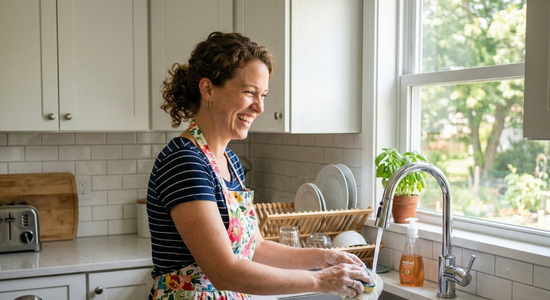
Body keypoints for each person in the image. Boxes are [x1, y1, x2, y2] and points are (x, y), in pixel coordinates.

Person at [147, 31, 372, 300]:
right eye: (249, 92)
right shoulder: (184, 161)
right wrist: (320, 280)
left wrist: (323, 257)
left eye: (263, 94)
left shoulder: (230, 162)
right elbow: (223, 271)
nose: (259, 107)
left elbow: (255, 247)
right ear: (208, 89)